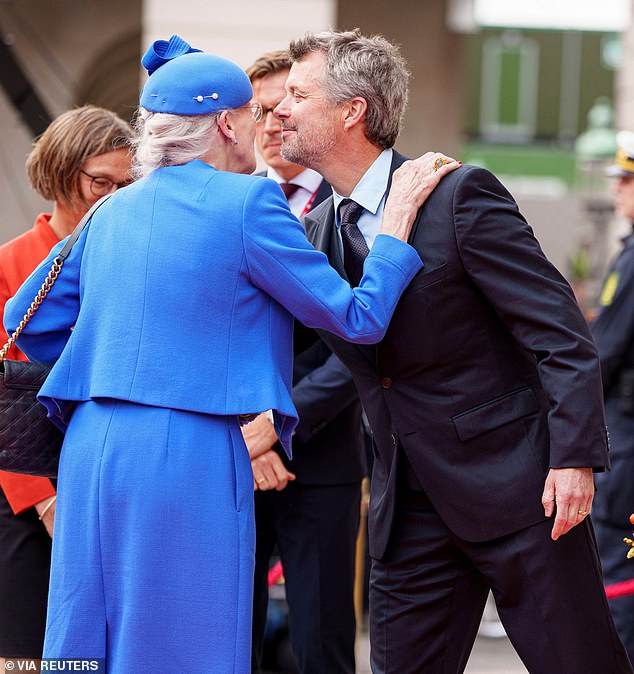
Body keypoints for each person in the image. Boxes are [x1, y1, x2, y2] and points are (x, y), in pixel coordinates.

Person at [4, 35, 456, 674]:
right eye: (255, 114)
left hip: (91, 445)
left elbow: (26, 317)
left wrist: (115, 357)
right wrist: (397, 225)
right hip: (187, 445)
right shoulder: (248, 202)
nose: (266, 125)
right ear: (225, 123)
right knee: (184, 640)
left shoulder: (111, 211)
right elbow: (358, 317)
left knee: (90, 635)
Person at [274, 29, 633, 673]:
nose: (280, 108)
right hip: (404, 508)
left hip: (524, 491)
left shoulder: (460, 195)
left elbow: (559, 332)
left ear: (352, 109)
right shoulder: (311, 235)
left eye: (298, 94)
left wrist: (574, 457)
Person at [0, 105, 133, 670]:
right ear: (59, 174)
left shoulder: (131, 260)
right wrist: (42, 497)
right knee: (27, 656)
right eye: (99, 182)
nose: (111, 197)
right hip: (26, 487)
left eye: (127, 185)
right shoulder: (12, 263)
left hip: (109, 470)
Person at [244, 50, 364, 674]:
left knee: (321, 642)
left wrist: (281, 420)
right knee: (231, 634)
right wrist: (253, 433)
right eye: (259, 110)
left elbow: (362, 344)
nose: (271, 122)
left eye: (283, 107)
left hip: (322, 457)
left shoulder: (355, 210)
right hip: (236, 451)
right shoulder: (232, 205)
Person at [591, 130, 634, 665]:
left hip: (627, 432)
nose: (621, 192)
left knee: (619, 562)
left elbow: (604, 351)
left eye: (627, 181)